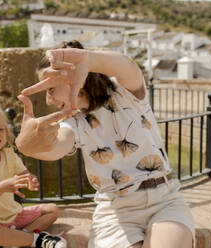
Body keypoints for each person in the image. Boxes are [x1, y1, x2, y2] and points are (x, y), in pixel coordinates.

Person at [16, 40, 195, 248]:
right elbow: (58, 147)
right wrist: (28, 147)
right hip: (116, 211)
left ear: (76, 79)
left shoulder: (124, 93)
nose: (48, 100)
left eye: (51, 89)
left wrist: (90, 60)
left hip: (164, 200)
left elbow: (127, 66)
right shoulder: (72, 122)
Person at [0, 104, 67, 248]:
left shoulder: (9, 156)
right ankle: (36, 240)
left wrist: (30, 180)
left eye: (0, 129)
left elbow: (25, 174)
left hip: (15, 216)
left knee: (52, 209)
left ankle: (16, 236)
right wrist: (3, 187)